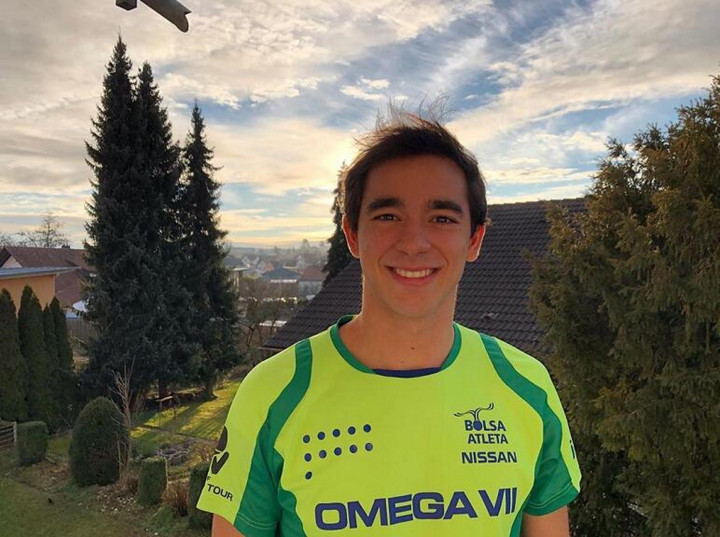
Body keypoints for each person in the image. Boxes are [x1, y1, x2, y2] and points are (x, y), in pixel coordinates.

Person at [197, 111, 581, 536]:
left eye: (442, 218)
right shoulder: (270, 395)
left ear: (474, 239)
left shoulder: (528, 389)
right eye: (387, 216)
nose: (414, 243)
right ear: (352, 235)